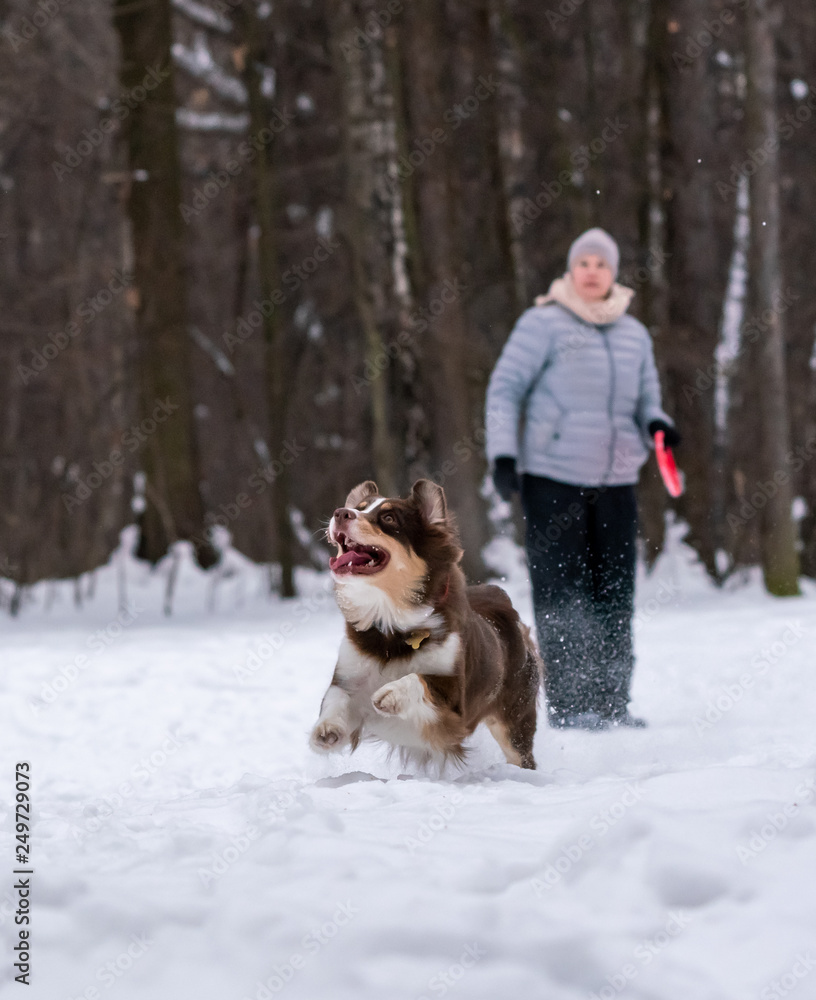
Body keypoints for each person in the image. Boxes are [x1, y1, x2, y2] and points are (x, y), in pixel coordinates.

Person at [485, 228, 679, 730]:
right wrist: (503, 455)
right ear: (571, 270)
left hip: (617, 483)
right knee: (562, 593)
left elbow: (647, 400)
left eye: (602, 264)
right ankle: (572, 706)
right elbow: (504, 388)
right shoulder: (542, 323)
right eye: (584, 263)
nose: (592, 271)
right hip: (553, 480)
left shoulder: (634, 334)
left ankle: (613, 702)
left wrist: (657, 425)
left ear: (613, 273)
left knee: (614, 591)